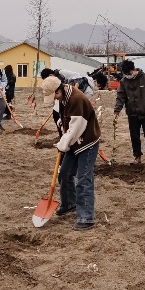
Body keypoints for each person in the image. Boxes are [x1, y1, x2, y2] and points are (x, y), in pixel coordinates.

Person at [51, 80, 102, 229]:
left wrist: (63, 144)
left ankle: (86, 218)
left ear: (59, 90)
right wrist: (62, 124)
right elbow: (63, 118)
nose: (54, 99)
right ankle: (69, 203)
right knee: (65, 174)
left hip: (87, 141)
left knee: (83, 179)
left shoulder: (76, 99)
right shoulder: (63, 97)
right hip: (75, 142)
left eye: (55, 95)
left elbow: (75, 130)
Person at [114, 59, 145, 166]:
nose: (128, 76)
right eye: (126, 74)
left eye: (129, 73)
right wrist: (117, 110)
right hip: (132, 113)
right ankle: (137, 156)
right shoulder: (124, 81)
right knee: (134, 136)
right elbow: (120, 96)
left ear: (134, 69)